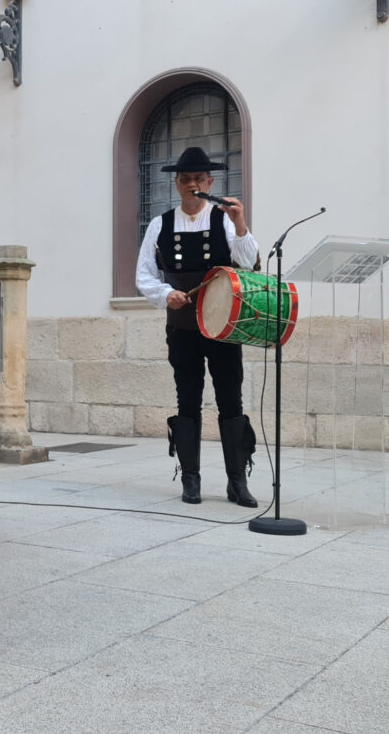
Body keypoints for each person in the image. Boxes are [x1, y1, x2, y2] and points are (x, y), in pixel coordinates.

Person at [135, 146, 259, 508]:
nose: (193, 185)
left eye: (199, 179)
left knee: (230, 401)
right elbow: (144, 274)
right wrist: (166, 293)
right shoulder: (160, 224)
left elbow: (249, 263)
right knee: (187, 400)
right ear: (177, 183)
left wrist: (241, 224)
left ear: (210, 183)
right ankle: (190, 480)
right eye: (186, 179)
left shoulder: (224, 219)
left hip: (223, 326)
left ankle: (237, 482)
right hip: (183, 327)